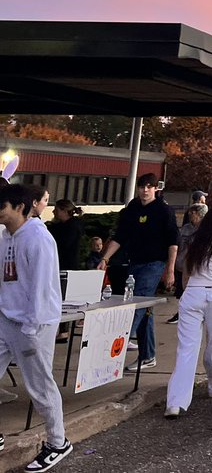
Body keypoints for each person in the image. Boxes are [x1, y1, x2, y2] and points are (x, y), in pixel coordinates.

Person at [0, 182, 74, 471]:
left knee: (40, 386)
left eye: (2, 206)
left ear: (20, 207)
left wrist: (32, 329)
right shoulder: (6, 236)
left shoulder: (38, 239)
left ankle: (58, 443)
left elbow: (43, 288)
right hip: (6, 320)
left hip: (34, 324)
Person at [97, 173, 179, 371]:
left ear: (155, 189)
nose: (145, 190)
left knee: (139, 300)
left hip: (154, 263)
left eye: (149, 187)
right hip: (134, 262)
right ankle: (148, 354)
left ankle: (125, 335)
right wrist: (105, 258)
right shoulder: (132, 209)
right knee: (146, 308)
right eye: (142, 187)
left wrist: (170, 270)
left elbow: (173, 242)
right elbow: (120, 236)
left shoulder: (163, 210)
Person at [163, 202, 212, 419]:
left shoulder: (194, 239)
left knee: (186, 349)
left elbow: (185, 274)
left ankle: (176, 402)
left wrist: (189, 292)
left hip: (193, 292)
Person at [168, 203, 207, 323]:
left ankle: (189, 313)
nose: (190, 215)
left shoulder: (204, 231)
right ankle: (183, 312)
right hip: (181, 264)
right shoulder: (185, 228)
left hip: (194, 267)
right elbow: (178, 244)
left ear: (199, 214)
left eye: (192, 213)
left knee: (192, 292)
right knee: (182, 292)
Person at [46, 199, 84, 273]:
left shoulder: (72, 227)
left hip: (67, 264)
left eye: (56, 210)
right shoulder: (59, 226)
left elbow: (63, 245)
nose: (53, 212)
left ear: (64, 211)